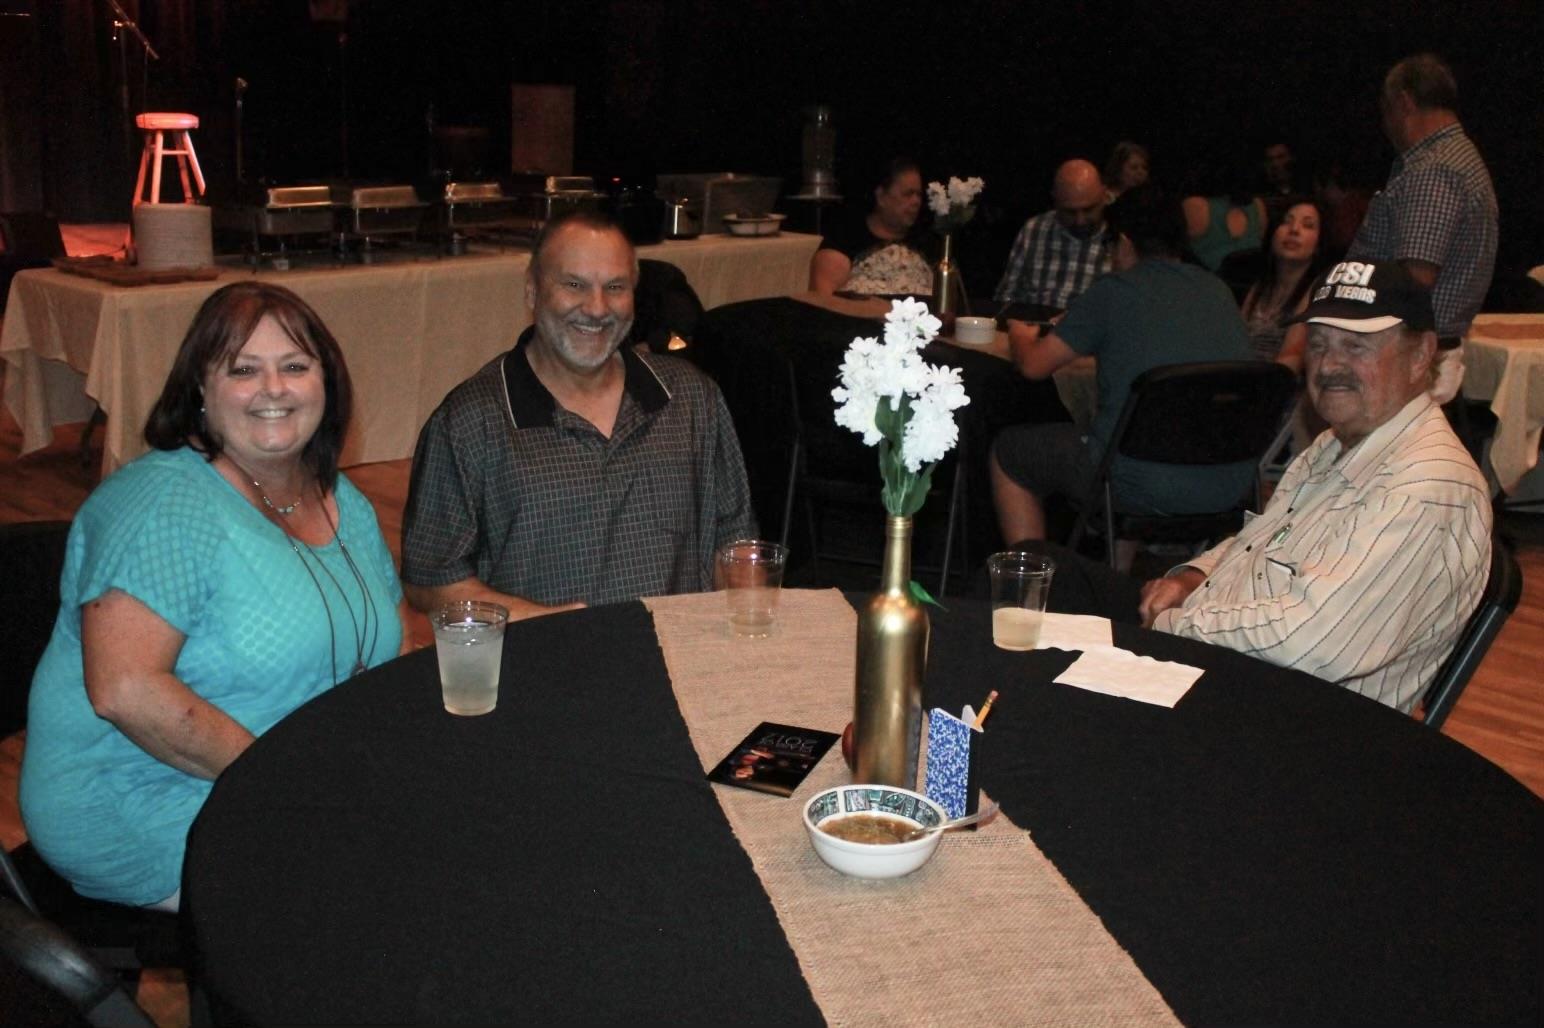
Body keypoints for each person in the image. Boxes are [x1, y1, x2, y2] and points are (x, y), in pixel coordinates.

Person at [19, 282, 408, 909]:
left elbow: (391, 635)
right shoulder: (162, 506)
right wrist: (287, 785)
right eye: (243, 370)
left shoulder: (342, 500)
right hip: (144, 800)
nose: (274, 389)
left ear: (326, 383)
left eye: (294, 367)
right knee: (388, 891)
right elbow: (125, 691)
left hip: (289, 776)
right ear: (200, 389)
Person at [1137, 260, 1492, 712]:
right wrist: (1194, 576)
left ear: (1421, 354)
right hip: (1248, 684)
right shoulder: (1338, 443)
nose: (1329, 365)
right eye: (1319, 344)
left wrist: (1177, 623)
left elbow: (1315, 642)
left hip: (1306, 730)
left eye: (1356, 346)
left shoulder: (1426, 484)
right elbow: (1261, 542)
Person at [401, 209, 755, 617]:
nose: (597, 308)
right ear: (532, 292)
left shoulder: (692, 398)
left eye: (616, 287)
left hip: (676, 666)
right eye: (574, 285)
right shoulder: (471, 421)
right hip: (541, 669)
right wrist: (548, 627)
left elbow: (735, 543)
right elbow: (429, 581)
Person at [990, 185, 1254, 544]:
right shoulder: (1219, 291)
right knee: (1131, 434)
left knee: (1011, 452)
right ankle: (1117, 579)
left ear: (1126, 242)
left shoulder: (1113, 291)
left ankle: (1030, 586)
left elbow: (1034, 367)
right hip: (1227, 482)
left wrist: (1021, 335)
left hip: (1135, 483)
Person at [1348, 53, 1497, 404]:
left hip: (1404, 357)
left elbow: (1415, 278)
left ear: (1403, 102)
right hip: (1420, 354)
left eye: (1385, 111)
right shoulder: (1458, 156)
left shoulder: (1434, 168)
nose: (1384, 125)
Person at [808, 156, 935, 306]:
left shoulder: (928, 243)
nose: (916, 202)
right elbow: (824, 304)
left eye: (919, 195)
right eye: (908, 194)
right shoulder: (845, 240)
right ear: (881, 197)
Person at [993, 159, 1113, 312]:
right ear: (1055, 201)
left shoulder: (1120, 241)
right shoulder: (1034, 230)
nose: (1080, 220)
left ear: (1104, 196)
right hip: (1034, 328)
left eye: (1089, 210)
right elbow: (1006, 296)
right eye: (1069, 212)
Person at [1240, 197, 1327, 371]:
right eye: (1286, 222)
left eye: (1307, 225)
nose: (1294, 230)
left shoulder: (1317, 291)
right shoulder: (1260, 285)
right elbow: (1237, 340)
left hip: (1279, 386)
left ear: (1319, 243)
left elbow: (1292, 357)